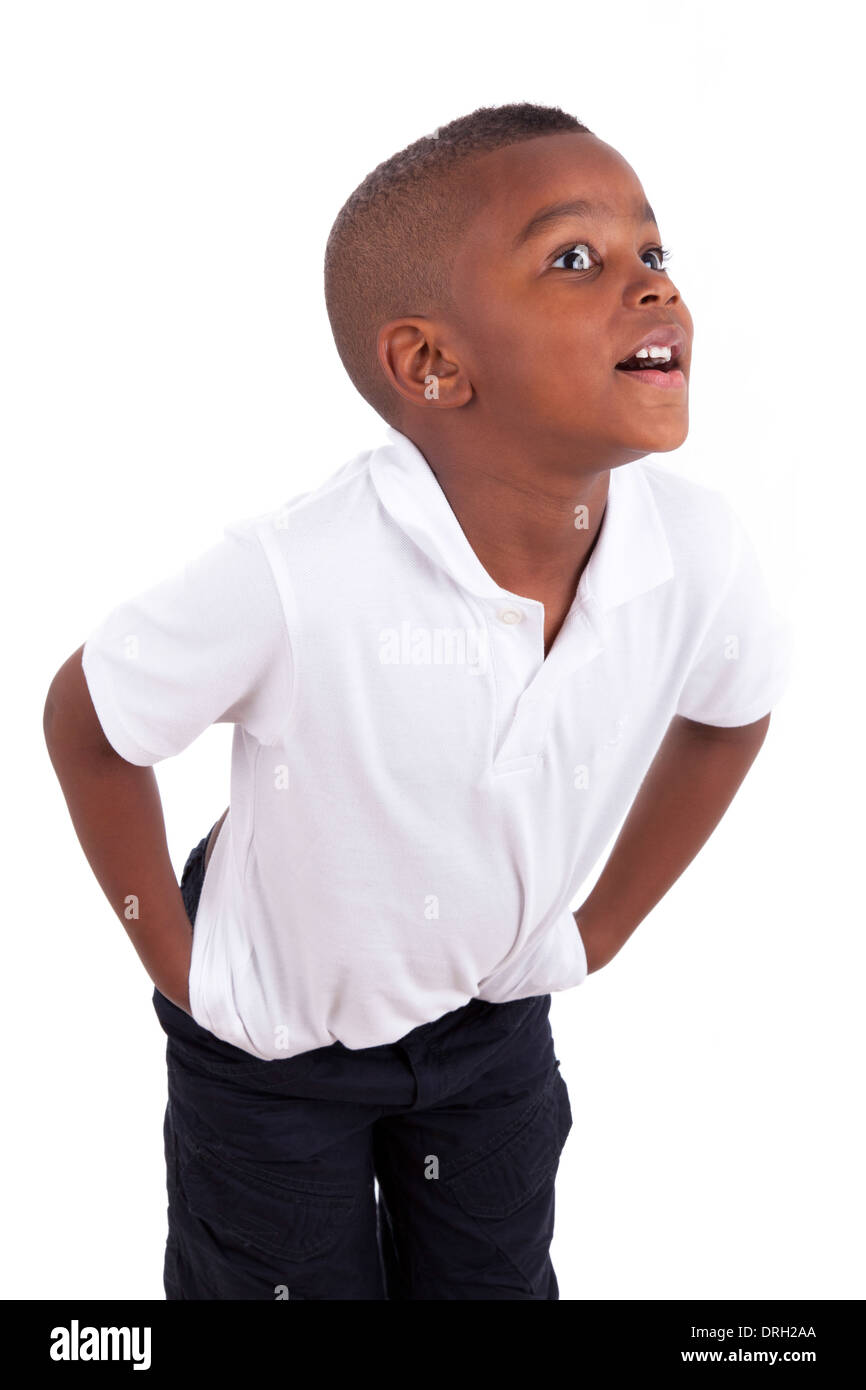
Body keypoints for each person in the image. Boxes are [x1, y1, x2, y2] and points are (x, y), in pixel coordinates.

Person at [42, 102, 792, 1300]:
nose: (652, 288)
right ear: (432, 364)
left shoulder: (696, 552)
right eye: (574, 259)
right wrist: (181, 969)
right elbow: (90, 718)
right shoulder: (300, 574)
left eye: (652, 253)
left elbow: (733, 713)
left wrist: (597, 932)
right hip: (277, 1042)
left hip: (487, 1026)